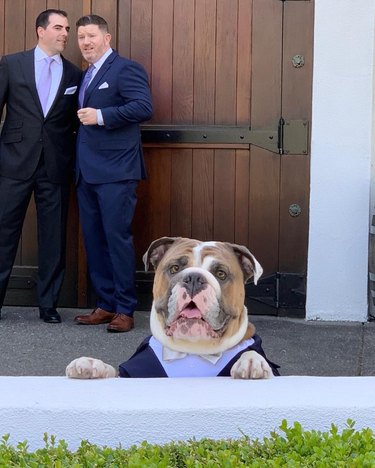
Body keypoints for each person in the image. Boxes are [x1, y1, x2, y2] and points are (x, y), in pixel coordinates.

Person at [0, 9, 81, 323]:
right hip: (13, 162)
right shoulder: (11, 64)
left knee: (54, 238)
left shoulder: (74, 74)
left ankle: (48, 305)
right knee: (4, 233)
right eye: (58, 28)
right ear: (40, 31)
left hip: (55, 166)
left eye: (67, 29)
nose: (64, 34)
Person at [73, 15, 153, 333]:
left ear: (107, 38)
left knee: (116, 239)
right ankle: (105, 305)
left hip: (117, 171)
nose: (85, 42)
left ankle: (125, 308)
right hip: (86, 172)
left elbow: (144, 107)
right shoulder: (86, 74)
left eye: (91, 35)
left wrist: (101, 115)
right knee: (94, 240)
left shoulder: (125, 68)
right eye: (80, 37)